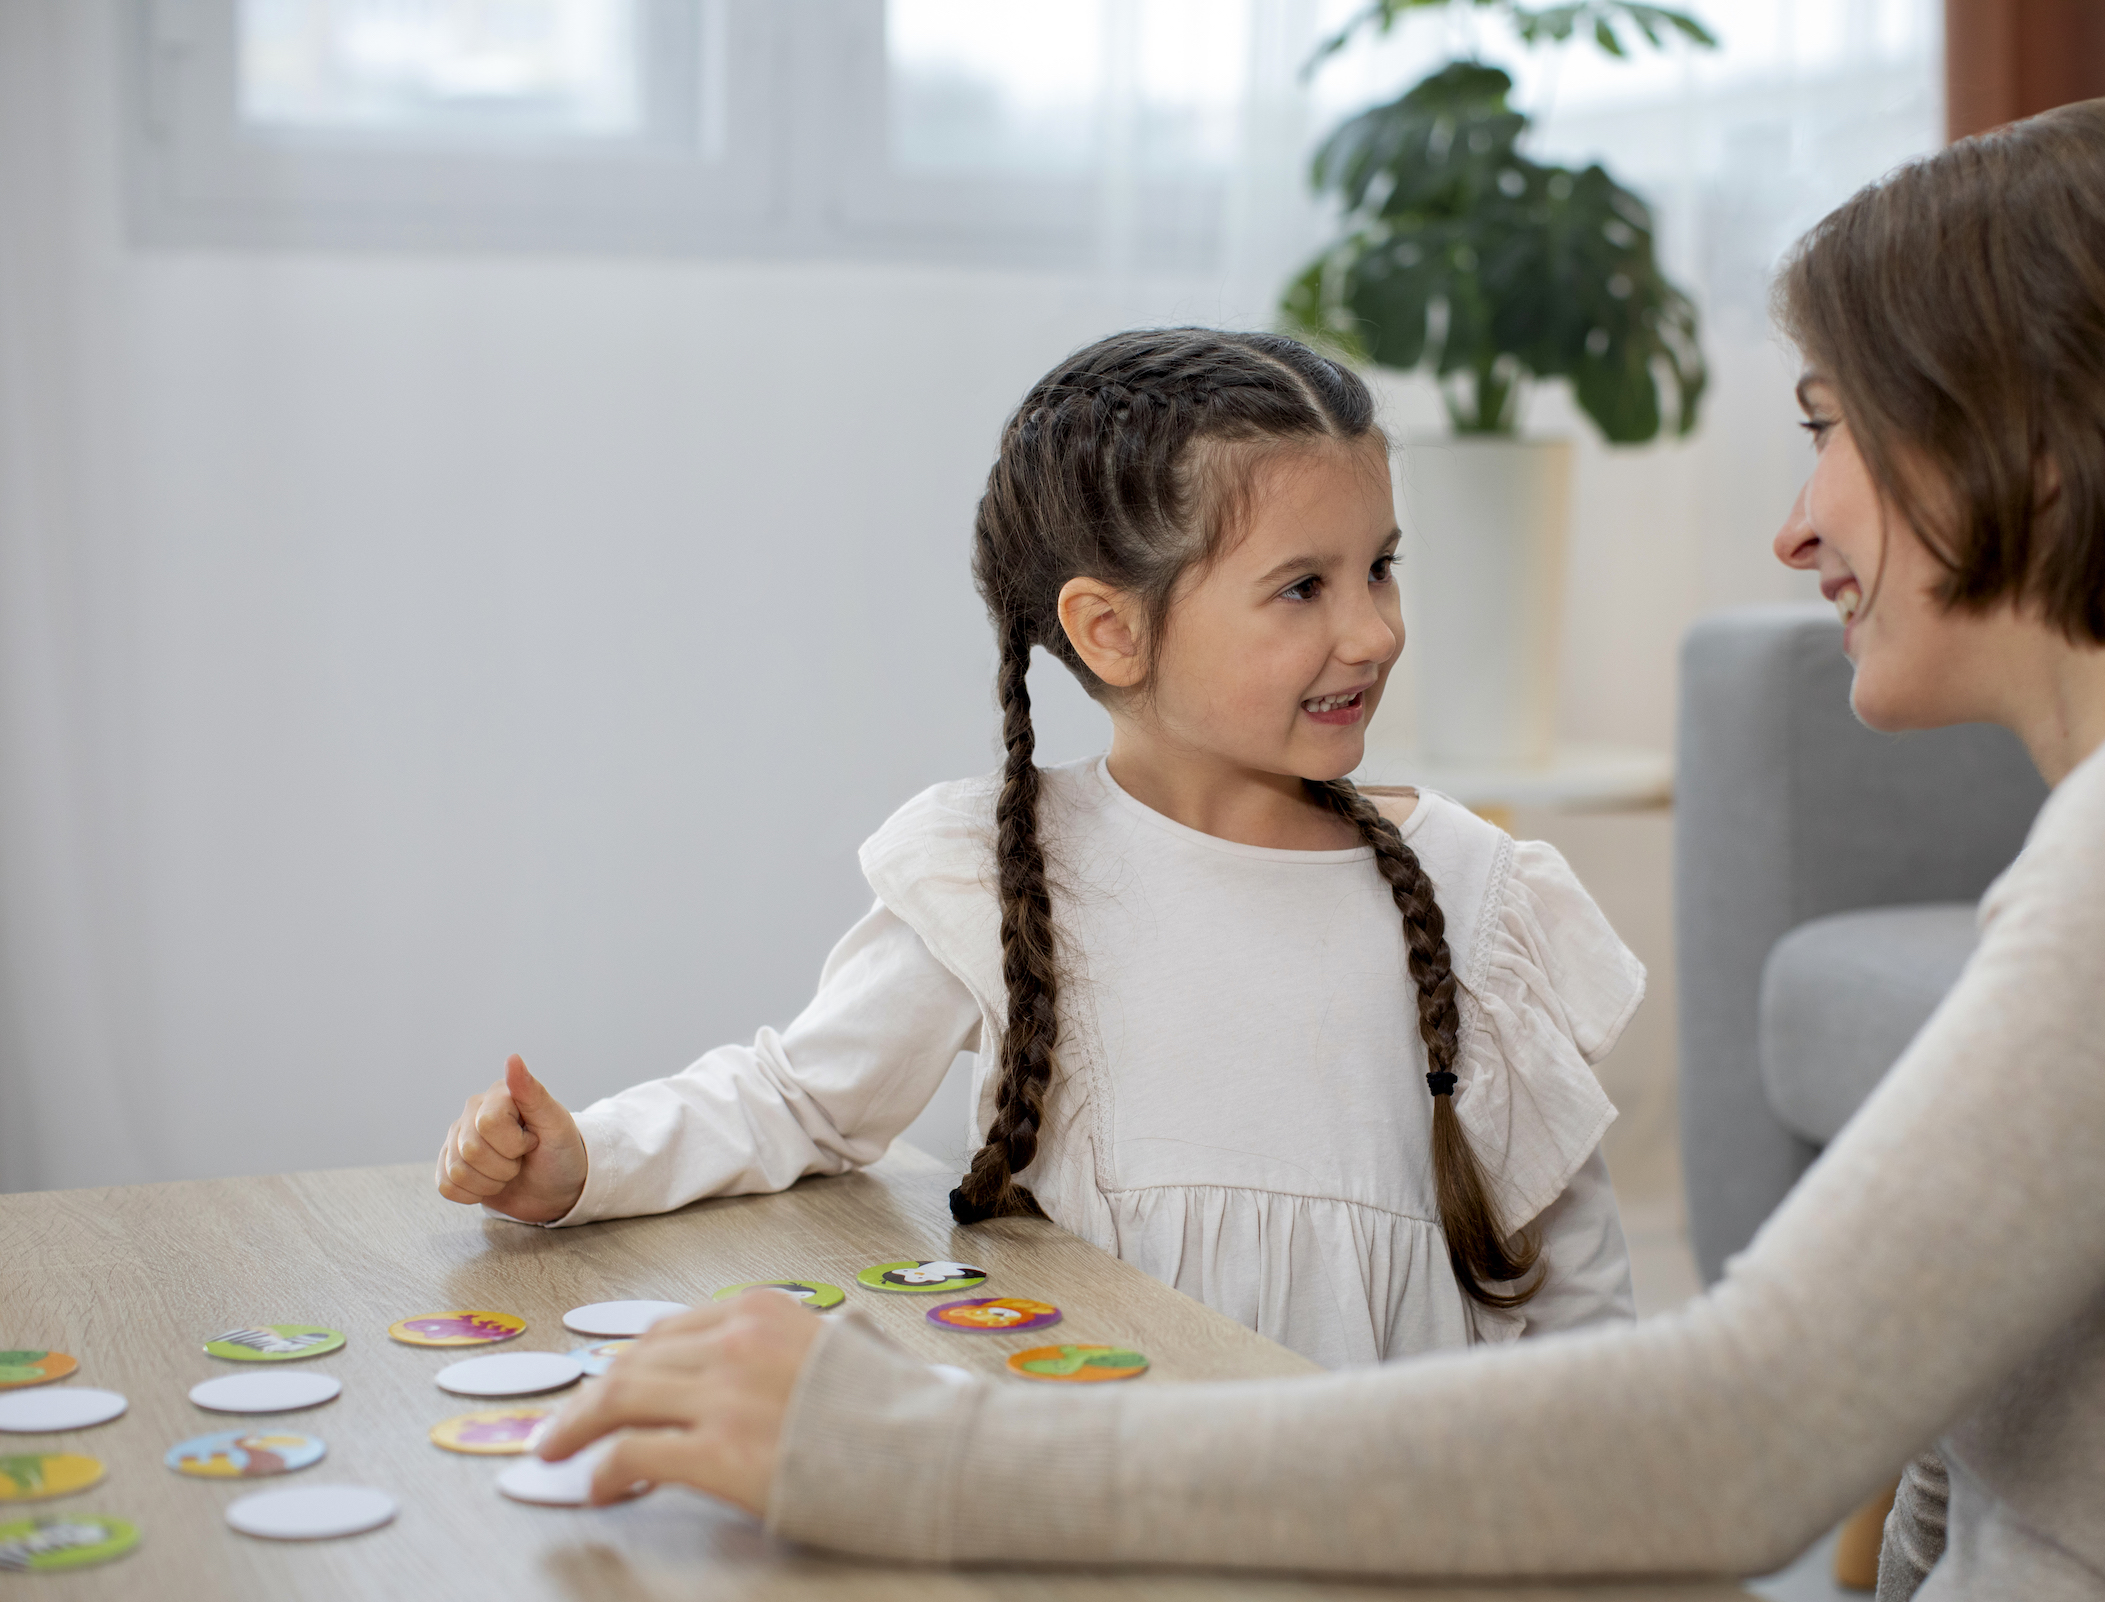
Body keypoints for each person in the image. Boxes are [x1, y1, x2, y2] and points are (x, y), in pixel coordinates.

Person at [533, 97, 2105, 1602]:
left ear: (2042, 453)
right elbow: (1938, 1444)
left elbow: (1742, 1432)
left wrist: (922, 1448)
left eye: (1829, 428)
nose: (1794, 519)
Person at [433, 328, 1643, 1371]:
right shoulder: (1001, 872)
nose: (1372, 628)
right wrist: (584, 1161)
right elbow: (799, 1100)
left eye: (1379, 567)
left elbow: (1573, 1278)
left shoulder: (1481, 891)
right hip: (1086, 1474)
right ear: (1109, 629)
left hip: (1381, 1520)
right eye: (1301, 587)